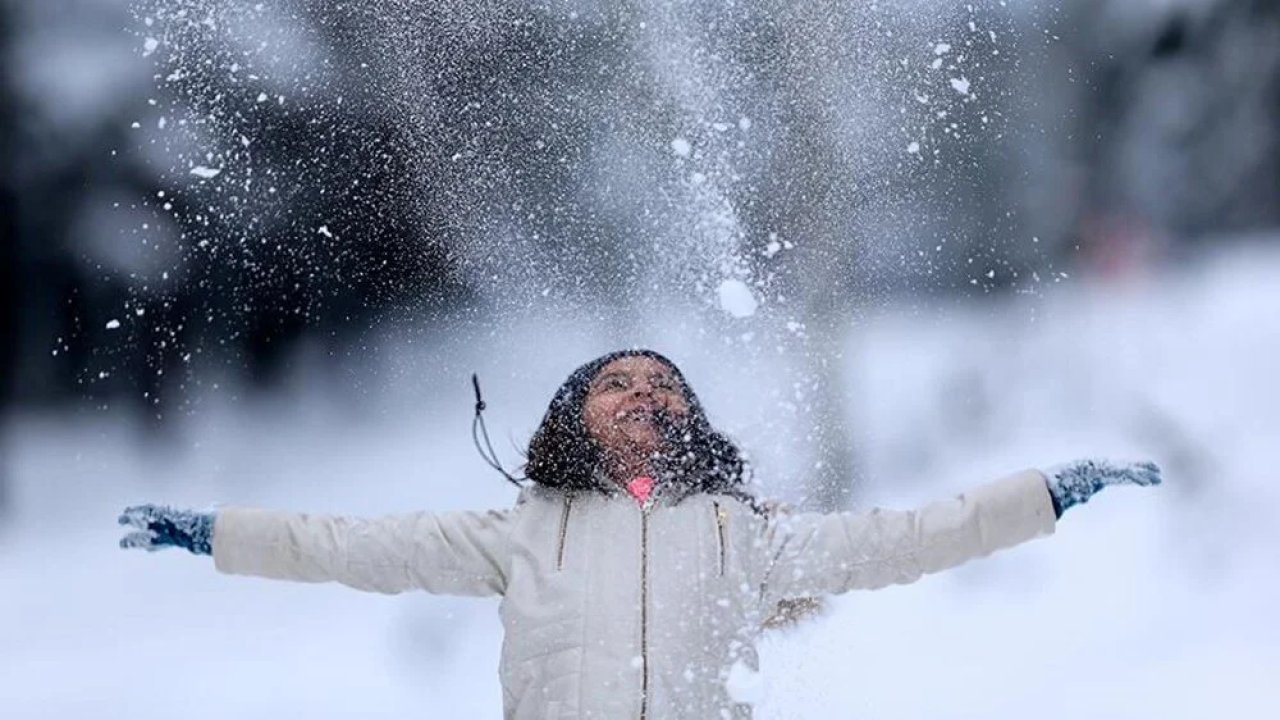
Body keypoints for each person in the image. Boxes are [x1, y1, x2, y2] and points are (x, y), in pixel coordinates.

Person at [118, 349, 1161, 719]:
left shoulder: (742, 536)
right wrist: (216, 533)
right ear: (572, 416)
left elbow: (908, 537)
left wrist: (1045, 494)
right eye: (614, 382)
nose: (641, 393)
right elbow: (345, 544)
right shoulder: (518, 532)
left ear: (689, 420)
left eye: (663, 384)